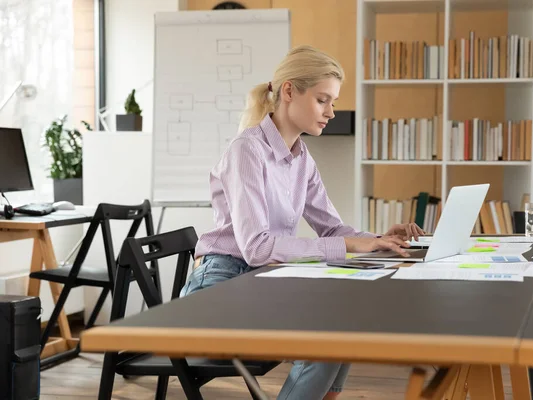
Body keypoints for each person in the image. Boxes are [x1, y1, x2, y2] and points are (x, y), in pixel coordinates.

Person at [180, 45, 424, 400]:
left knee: (343, 320)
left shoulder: (301, 157)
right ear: (290, 91)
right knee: (325, 333)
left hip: (258, 278)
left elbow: (332, 229)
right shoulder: (246, 151)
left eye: (333, 102)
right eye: (323, 100)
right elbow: (257, 248)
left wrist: (378, 239)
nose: (331, 112)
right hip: (220, 286)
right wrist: (349, 245)